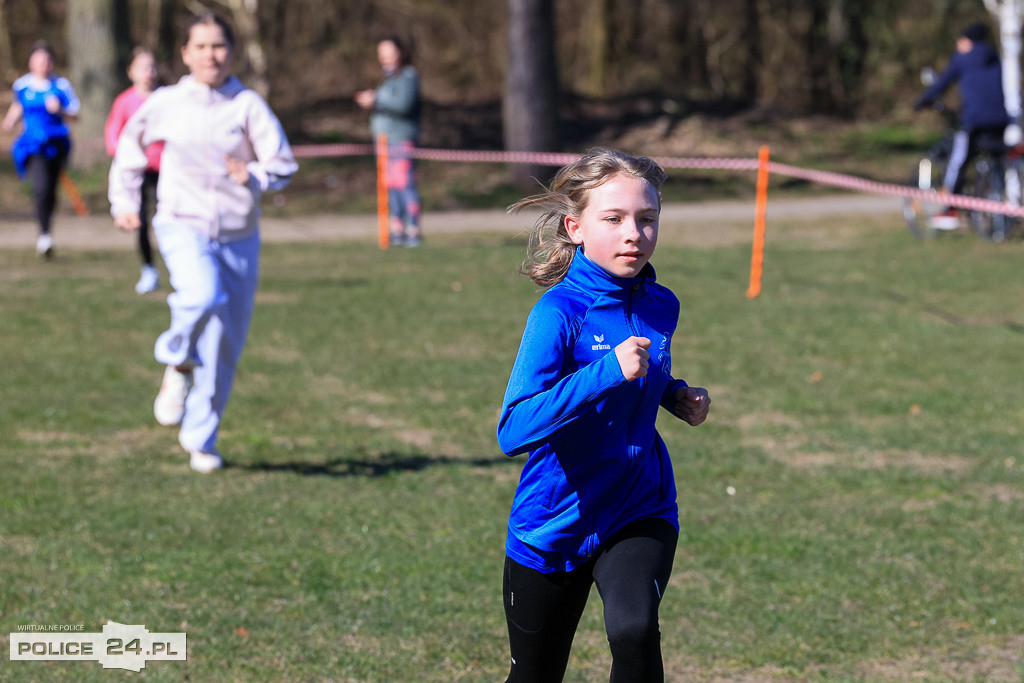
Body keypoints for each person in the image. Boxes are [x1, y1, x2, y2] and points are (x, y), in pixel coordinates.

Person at [496, 147, 711, 682]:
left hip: (640, 504)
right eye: (613, 219)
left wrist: (674, 395)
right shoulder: (558, 314)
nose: (633, 233)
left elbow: (646, 373)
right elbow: (513, 429)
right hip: (555, 521)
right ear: (575, 227)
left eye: (647, 218)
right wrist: (606, 373)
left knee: (634, 634)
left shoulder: (662, 303)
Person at [108, 11, 298, 473]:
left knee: (224, 344)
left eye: (219, 46)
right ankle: (176, 363)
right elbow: (128, 150)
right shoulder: (169, 102)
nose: (211, 55)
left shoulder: (247, 104)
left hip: (238, 234)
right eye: (201, 46)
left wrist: (252, 173)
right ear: (185, 53)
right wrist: (124, 202)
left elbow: (283, 162)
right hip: (181, 221)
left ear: (231, 52)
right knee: (200, 294)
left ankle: (201, 439)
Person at [914, 22, 1009, 228]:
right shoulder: (998, 59)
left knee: (958, 161)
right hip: (1001, 121)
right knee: (1000, 160)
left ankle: (950, 210)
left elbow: (941, 83)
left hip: (973, 122)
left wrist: (921, 101)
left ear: (969, 41)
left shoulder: (963, 60)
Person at [1, 40, 80, 259]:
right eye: (39, 61)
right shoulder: (22, 85)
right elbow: (18, 107)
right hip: (32, 145)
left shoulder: (61, 86)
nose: (43, 65)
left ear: (52, 63)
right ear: (31, 63)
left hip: (57, 145)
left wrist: (60, 110)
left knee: (51, 190)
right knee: (41, 187)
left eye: (47, 61)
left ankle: (46, 230)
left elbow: (76, 115)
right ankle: (44, 236)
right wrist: (9, 122)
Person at [105, 47, 164, 294]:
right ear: (131, 72)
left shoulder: (167, 98)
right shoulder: (124, 101)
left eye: (152, 66)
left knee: (167, 221)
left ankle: (179, 267)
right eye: (142, 67)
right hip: (136, 173)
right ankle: (149, 269)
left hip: (166, 170)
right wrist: (123, 155)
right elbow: (112, 135)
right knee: (140, 220)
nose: (148, 72)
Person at [355, 36, 423, 247]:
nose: (383, 57)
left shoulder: (408, 77)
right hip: (384, 143)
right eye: (380, 53)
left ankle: (413, 229)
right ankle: (397, 231)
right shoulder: (388, 80)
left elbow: (402, 105)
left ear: (400, 53)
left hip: (401, 141)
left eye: (388, 51)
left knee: (405, 185)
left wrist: (376, 99)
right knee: (391, 187)